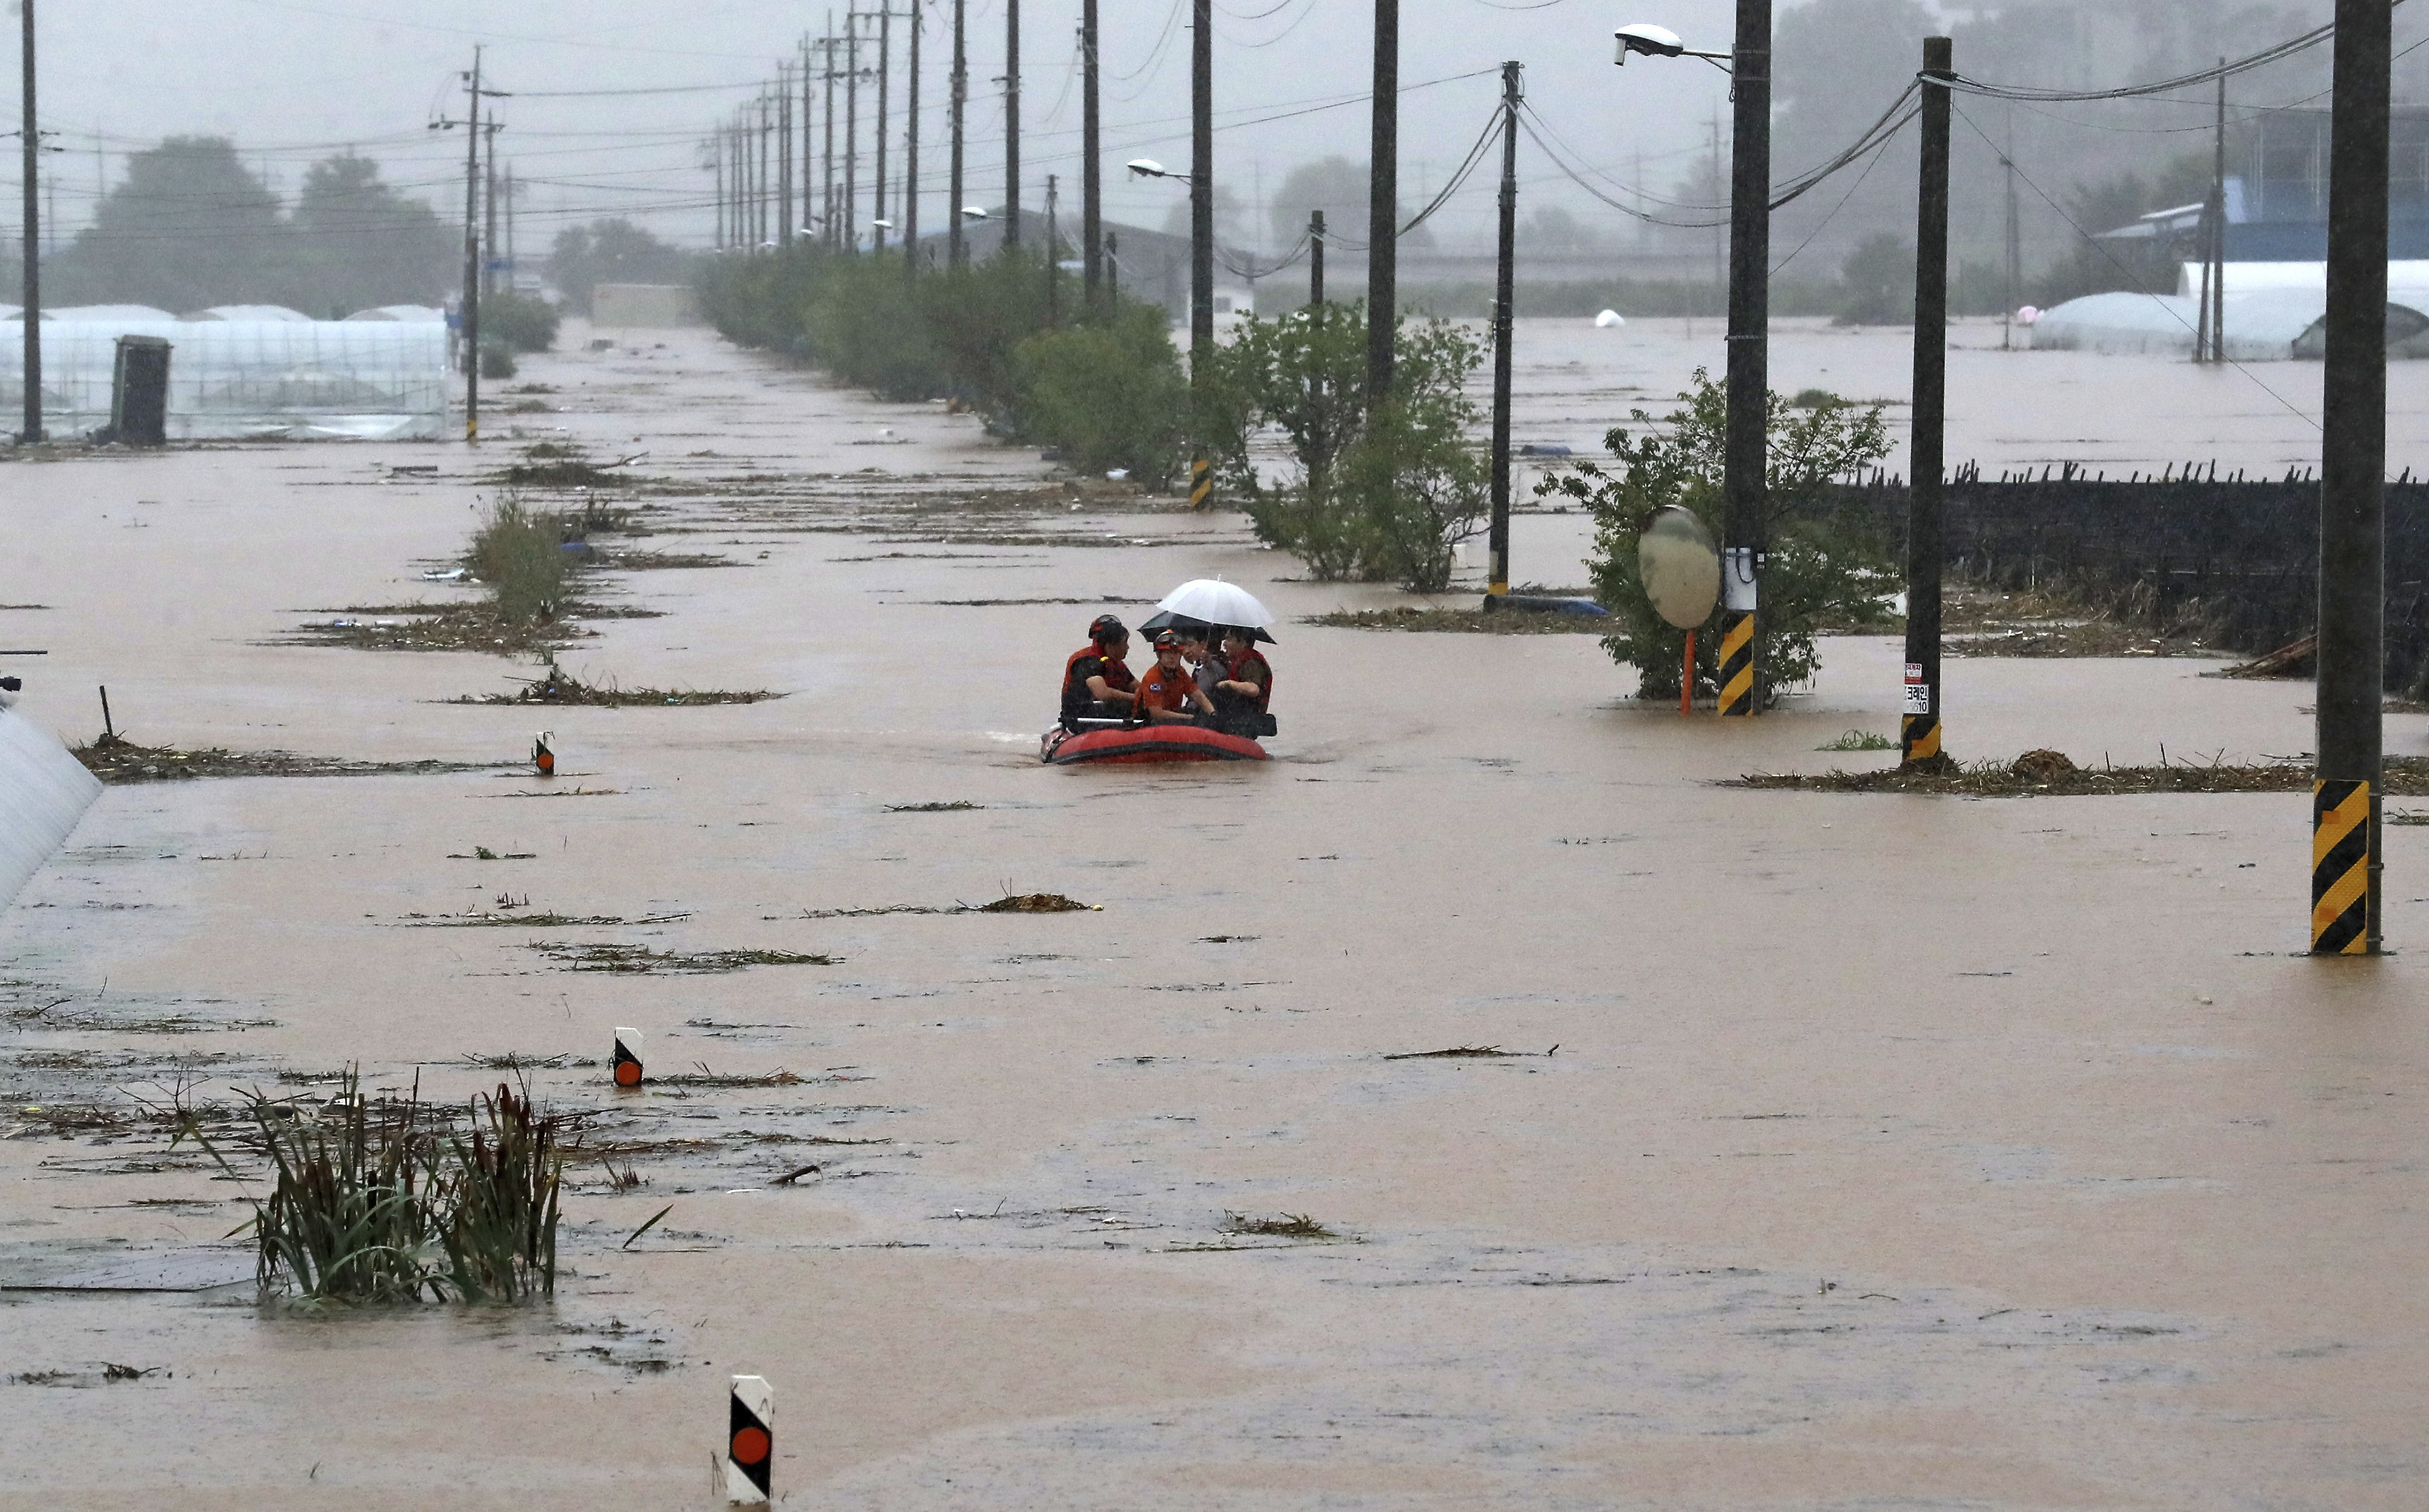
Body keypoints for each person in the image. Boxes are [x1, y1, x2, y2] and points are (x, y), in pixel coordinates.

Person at [1060, 614, 1138, 732]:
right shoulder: (1086, 661)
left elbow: (1137, 685)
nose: (1127, 647)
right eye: (1124, 643)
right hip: (1082, 716)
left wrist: (1144, 695)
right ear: (1110, 645)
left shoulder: (1116, 663)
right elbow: (1102, 693)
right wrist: (1135, 698)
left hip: (1106, 712)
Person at [1135, 630, 1216, 724]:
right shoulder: (1153, 677)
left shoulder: (1181, 673)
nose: (1172, 657)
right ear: (1159, 655)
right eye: (1168, 653)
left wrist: (1212, 713)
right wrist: (1187, 718)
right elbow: (1156, 713)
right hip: (1150, 724)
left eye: (1176, 653)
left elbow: (1197, 695)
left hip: (1173, 722)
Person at [1211, 626, 1275, 737]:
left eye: (1229, 639)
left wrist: (1229, 683)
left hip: (1245, 720)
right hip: (1236, 717)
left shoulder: (1251, 663)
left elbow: (1253, 689)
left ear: (1243, 643)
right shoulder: (1236, 661)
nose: (1224, 644)